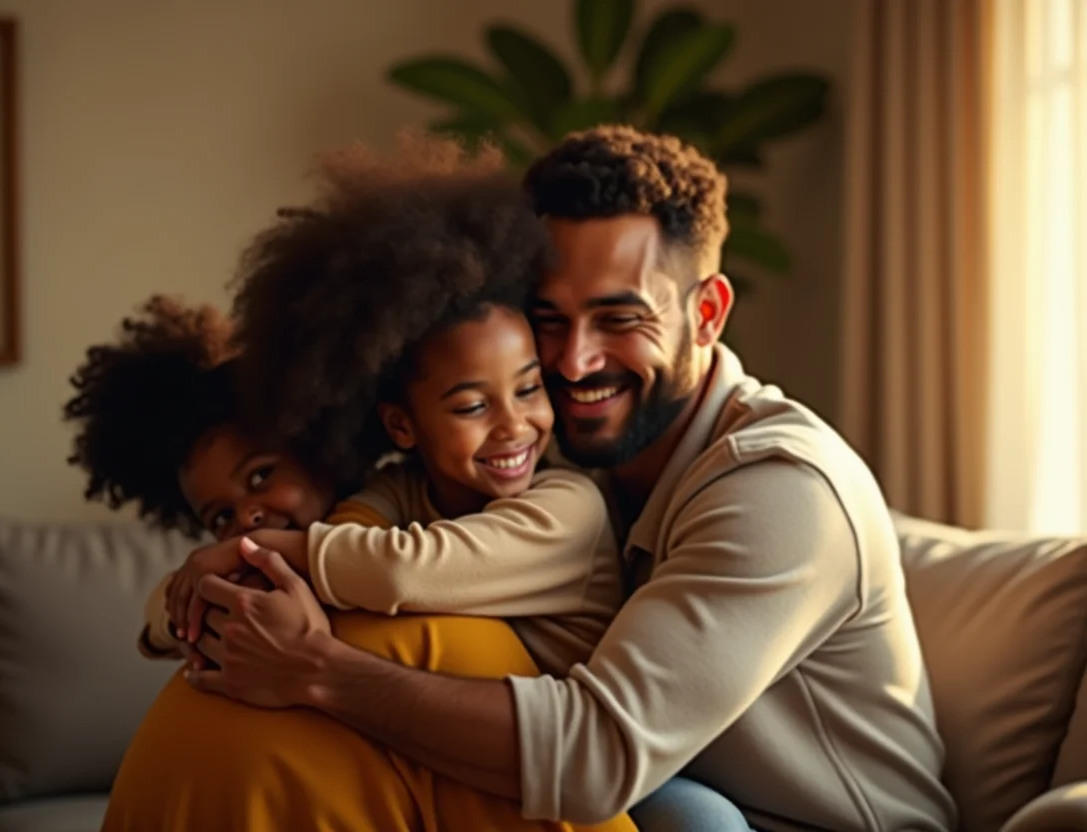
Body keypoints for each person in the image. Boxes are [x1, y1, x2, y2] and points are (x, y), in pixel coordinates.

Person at [172, 126, 958, 832]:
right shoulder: (567, 450)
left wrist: (317, 671)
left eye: (620, 319)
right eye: (550, 320)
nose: (574, 362)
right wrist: (248, 562)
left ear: (709, 313)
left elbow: (593, 757)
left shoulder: (784, 490)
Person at [66, 153, 633, 830]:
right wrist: (196, 595)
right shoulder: (396, 493)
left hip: (535, 772)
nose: (514, 424)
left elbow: (398, 567)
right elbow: (341, 542)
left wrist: (257, 556)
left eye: (528, 388)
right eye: (470, 406)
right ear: (400, 424)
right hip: (439, 762)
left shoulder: (566, 508)